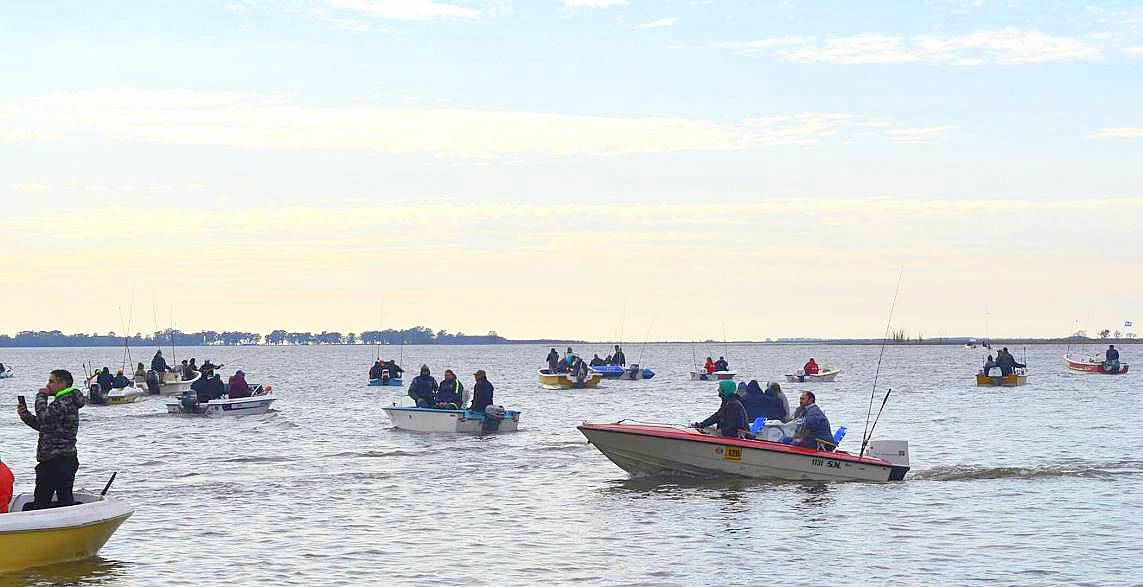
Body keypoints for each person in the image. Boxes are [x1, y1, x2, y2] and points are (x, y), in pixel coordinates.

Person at [18, 369, 85, 510]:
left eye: (51, 381)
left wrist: (41, 396)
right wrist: (25, 415)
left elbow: (44, 417)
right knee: (62, 499)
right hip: (60, 459)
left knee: (43, 501)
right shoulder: (63, 401)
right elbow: (45, 426)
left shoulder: (65, 401)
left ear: (63, 384)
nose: (48, 385)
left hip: (57, 460)